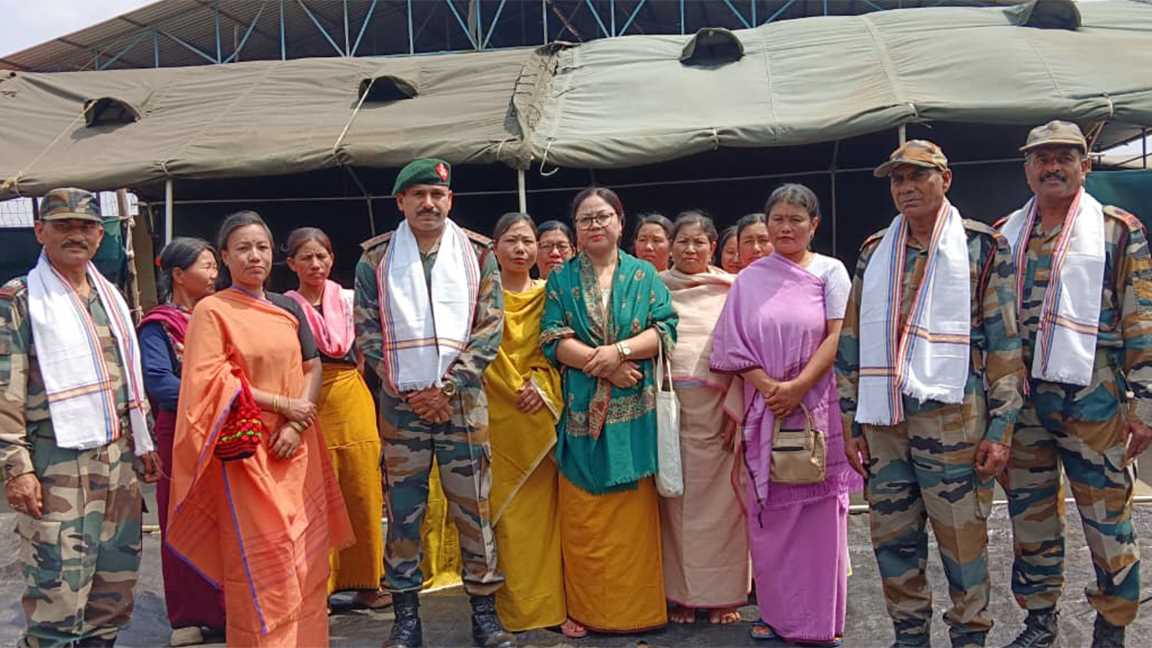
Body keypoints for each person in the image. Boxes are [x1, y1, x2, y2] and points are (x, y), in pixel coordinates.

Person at [835, 141, 1025, 648]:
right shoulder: (876, 251)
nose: (906, 188)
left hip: (955, 418)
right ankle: (910, 636)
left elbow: (1006, 343)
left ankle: (969, 635)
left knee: (963, 539)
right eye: (898, 180)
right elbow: (852, 339)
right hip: (885, 419)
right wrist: (850, 421)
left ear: (946, 178)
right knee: (893, 538)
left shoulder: (982, 246)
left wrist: (1002, 428)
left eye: (917, 176)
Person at [167, 210, 353, 647]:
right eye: (244, 248)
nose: (255, 257)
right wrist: (283, 406)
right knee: (262, 560)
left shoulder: (288, 307)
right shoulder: (212, 311)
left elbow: (312, 365)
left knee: (305, 560)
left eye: (263, 247)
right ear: (225, 257)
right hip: (248, 452)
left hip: (296, 445)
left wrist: (297, 421)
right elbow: (212, 381)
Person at [998, 121, 1152, 648]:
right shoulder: (1005, 233)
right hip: (1023, 399)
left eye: (1064, 157)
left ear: (1085, 165)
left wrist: (1145, 403)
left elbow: (1141, 318)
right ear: (1027, 169)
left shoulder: (1116, 229)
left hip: (1094, 397)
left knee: (1107, 517)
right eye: (1041, 158)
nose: (1053, 167)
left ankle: (1112, 626)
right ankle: (1040, 622)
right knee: (1031, 516)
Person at [354, 158, 513, 648]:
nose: (429, 203)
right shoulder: (376, 260)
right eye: (418, 195)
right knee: (404, 513)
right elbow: (367, 332)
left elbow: (490, 328)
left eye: (437, 195)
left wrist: (445, 388)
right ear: (400, 202)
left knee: (474, 510)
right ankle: (406, 620)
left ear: (450, 200)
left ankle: (485, 616)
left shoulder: (478, 255)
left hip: (461, 404)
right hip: (402, 408)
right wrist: (412, 391)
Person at [1, 187, 161, 648]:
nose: (77, 235)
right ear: (40, 232)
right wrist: (17, 468)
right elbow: (5, 390)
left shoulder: (110, 297)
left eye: (86, 226)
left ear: (100, 234)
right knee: (56, 595)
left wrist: (143, 442)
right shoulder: (20, 300)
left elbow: (126, 379)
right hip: (56, 466)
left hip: (118, 465)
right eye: (63, 226)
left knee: (112, 594)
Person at [712, 184, 862, 646]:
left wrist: (797, 388)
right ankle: (779, 618)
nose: (785, 227)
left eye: (796, 219)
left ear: (814, 224)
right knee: (771, 519)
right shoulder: (749, 280)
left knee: (820, 518)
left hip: (816, 407)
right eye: (777, 219)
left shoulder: (830, 271)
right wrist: (768, 387)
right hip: (767, 410)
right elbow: (730, 343)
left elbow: (839, 334)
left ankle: (820, 622)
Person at [541, 186, 678, 637]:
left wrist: (618, 352)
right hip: (580, 415)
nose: (595, 225)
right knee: (584, 518)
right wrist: (604, 366)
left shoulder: (644, 274)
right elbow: (552, 339)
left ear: (621, 222)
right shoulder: (561, 280)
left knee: (632, 522)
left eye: (603, 217)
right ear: (576, 230)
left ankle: (636, 611)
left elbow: (665, 330)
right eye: (586, 219)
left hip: (634, 415)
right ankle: (588, 609)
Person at [283, 227, 389, 609]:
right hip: (310, 399)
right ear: (291, 263)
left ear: (332, 259)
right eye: (306, 257)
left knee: (363, 488)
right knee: (315, 494)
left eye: (322, 256)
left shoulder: (349, 300)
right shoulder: (286, 307)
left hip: (352, 394)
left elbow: (366, 350)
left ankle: (368, 581)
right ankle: (319, 587)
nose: (316, 264)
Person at [658, 212, 748, 626]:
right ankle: (681, 596)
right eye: (683, 241)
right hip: (668, 414)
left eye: (699, 242)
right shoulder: (654, 289)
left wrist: (738, 409)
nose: (690, 249)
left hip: (720, 413)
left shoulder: (732, 289)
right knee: (673, 506)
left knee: (723, 508)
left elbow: (745, 350)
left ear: (712, 247)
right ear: (671, 246)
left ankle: (722, 597)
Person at [139, 237, 225, 646]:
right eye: (206, 266)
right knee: (183, 518)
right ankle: (188, 615)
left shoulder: (220, 315)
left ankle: (230, 608)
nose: (214, 274)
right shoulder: (159, 325)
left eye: (214, 266)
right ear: (178, 274)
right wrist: (216, 399)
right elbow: (159, 382)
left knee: (227, 519)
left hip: (224, 429)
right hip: (180, 434)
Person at [484, 212, 567, 631]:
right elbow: (479, 353)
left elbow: (560, 347)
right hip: (497, 415)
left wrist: (543, 384)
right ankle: (514, 610)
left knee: (546, 517)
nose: (520, 249)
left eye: (528, 241)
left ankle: (550, 607)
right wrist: (516, 387)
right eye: (511, 241)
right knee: (507, 517)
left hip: (542, 416)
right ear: (494, 247)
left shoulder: (551, 295)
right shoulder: (480, 297)